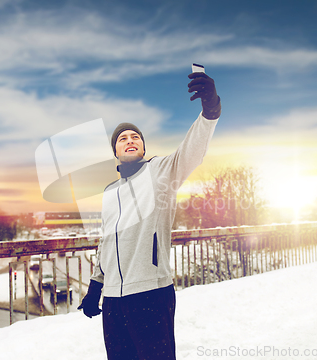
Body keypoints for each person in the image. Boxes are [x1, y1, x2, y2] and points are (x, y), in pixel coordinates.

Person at [78, 69, 221, 360]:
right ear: (115, 151)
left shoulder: (160, 172)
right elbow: (107, 242)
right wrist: (96, 286)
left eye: (135, 137)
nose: (129, 140)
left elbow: (191, 152)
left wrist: (210, 109)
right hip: (114, 302)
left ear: (143, 146)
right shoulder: (109, 192)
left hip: (150, 294)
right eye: (122, 138)